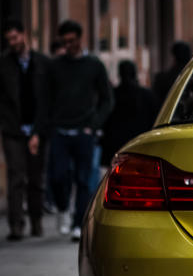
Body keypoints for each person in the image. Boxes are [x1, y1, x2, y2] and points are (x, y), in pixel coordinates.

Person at [49, 20, 113, 240]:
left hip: (84, 130)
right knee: (58, 176)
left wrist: (93, 125)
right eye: (65, 42)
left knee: (84, 178)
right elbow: (45, 98)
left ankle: (78, 223)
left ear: (80, 38)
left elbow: (107, 99)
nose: (69, 45)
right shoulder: (55, 66)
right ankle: (63, 208)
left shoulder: (93, 65)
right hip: (60, 130)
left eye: (72, 41)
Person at [1, 19, 53, 240]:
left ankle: (36, 219)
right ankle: (16, 225)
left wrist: (38, 131)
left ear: (24, 35)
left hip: (38, 128)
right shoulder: (3, 64)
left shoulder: (43, 63)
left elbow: (48, 99)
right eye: (8, 39)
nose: (12, 43)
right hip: (13, 129)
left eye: (15, 37)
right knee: (16, 176)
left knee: (36, 177)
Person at [100, 60, 160, 167]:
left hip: (117, 147)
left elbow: (105, 120)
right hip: (141, 145)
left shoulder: (113, 95)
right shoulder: (146, 95)